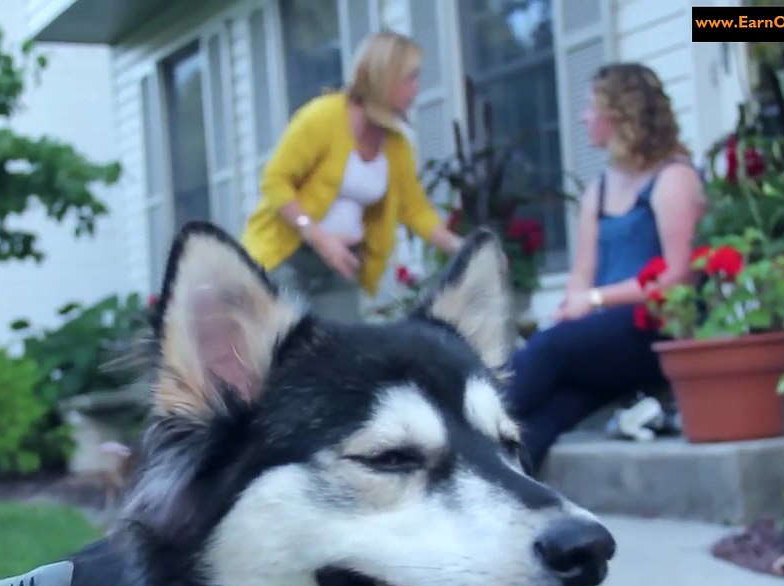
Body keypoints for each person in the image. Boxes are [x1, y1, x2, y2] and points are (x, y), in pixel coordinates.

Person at [506, 62, 707, 468]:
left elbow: (678, 278)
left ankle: (464, 421)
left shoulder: (674, 178)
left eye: (590, 108)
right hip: (605, 337)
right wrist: (571, 307)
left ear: (619, 116)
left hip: (655, 329)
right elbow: (581, 273)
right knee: (555, 408)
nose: (583, 118)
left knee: (547, 350)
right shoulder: (597, 191)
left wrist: (595, 301)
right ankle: (504, 481)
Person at [240, 31, 464, 322]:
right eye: (410, 77)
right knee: (290, 353)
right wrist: (318, 236)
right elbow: (275, 181)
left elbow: (415, 209)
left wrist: (462, 248)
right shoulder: (322, 117)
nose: (416, 87)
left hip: (341, 263)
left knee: (342, 358)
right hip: (287, 258)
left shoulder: (396, 144)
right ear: (384, 76)